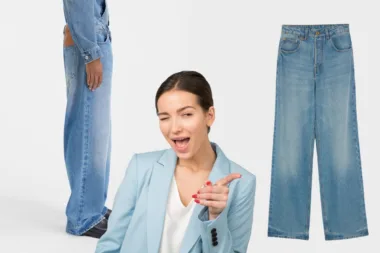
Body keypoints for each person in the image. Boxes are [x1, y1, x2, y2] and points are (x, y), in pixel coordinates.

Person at [95, 71, 256, 252]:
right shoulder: (141, 167)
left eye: (186, 114)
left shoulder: (241, 184)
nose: (174, 128)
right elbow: (110, 245)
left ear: (209, 115)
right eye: (164, 117)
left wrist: (215, 218)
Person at [62, 0, 113, 238]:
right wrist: (92, 54)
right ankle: (84, 216)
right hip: (89, 44)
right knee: (89, 131)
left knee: (89, 129)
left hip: (91, 38)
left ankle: (91, 206)